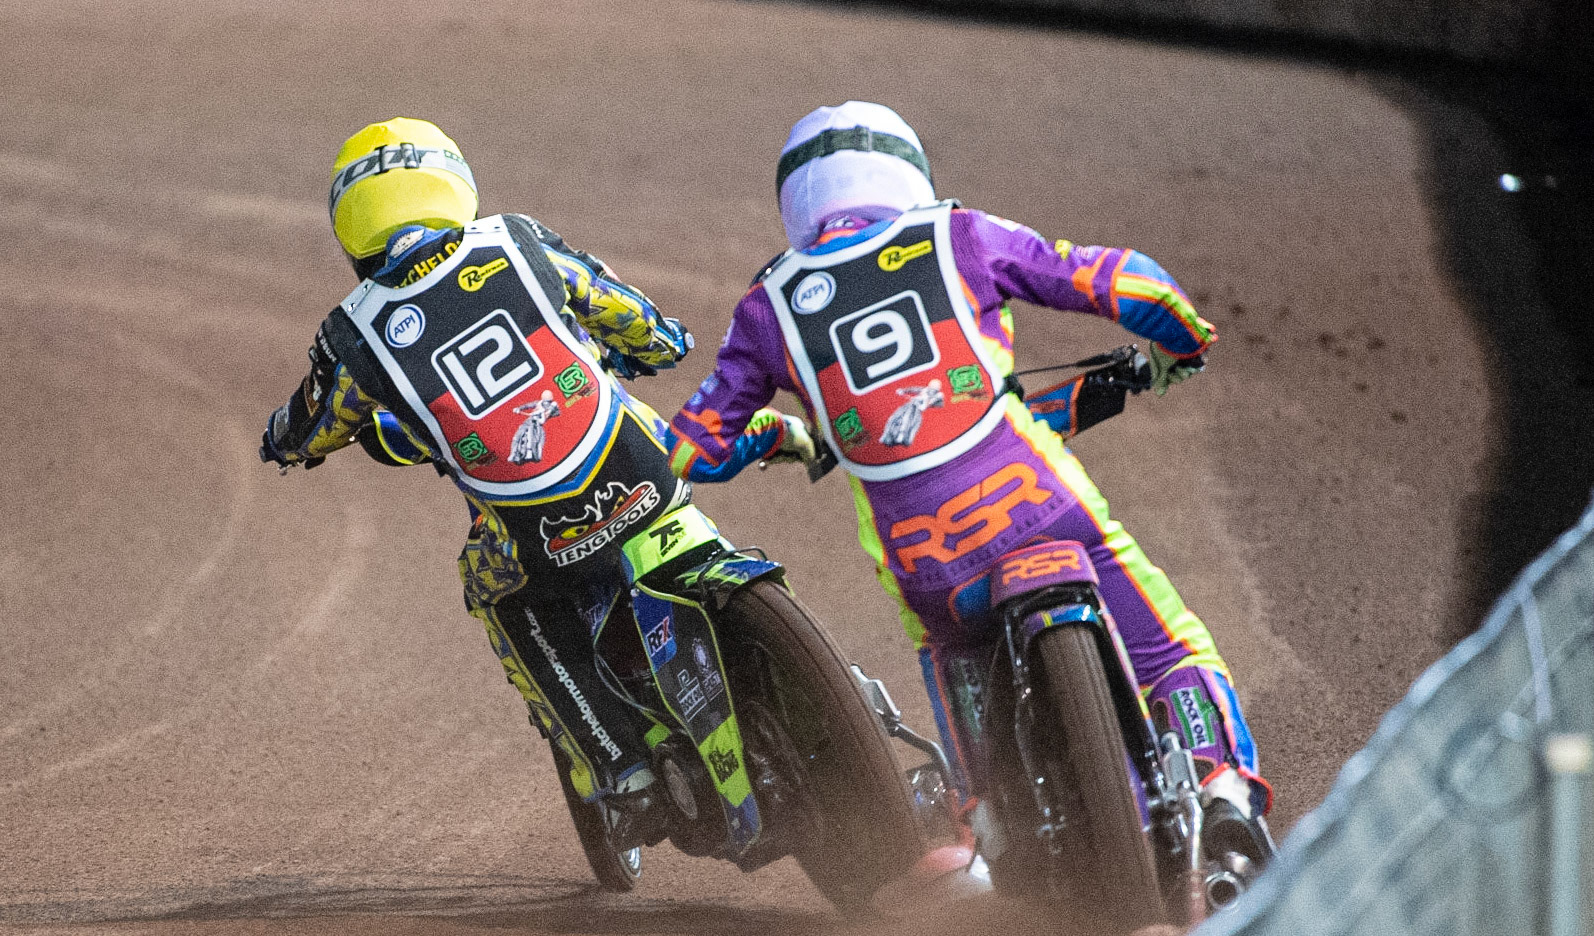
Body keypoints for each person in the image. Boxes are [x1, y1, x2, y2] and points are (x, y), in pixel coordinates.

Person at [664, 101, 1275, 871]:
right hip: (1047, 513)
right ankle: (1222, 793)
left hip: (930, 564)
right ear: (908, 173)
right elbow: (1125, 284)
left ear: (794, 205)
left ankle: (991, 821)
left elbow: (693, 448)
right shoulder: (959, 234)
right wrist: (1182, 347)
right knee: (1168, 647)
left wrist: (785, 436)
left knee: (948, 646)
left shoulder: (765, 307)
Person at [260, 118, 807, 848]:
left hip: (541, 537)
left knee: (496, 593)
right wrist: (661, 340)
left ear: (353, 226)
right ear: (451, 184)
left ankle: (622, 768)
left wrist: (282, 439)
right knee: (671, 468)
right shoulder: (515, 239)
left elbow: (317, 422)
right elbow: (624, 313)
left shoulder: (354, 334)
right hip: (640, 468)